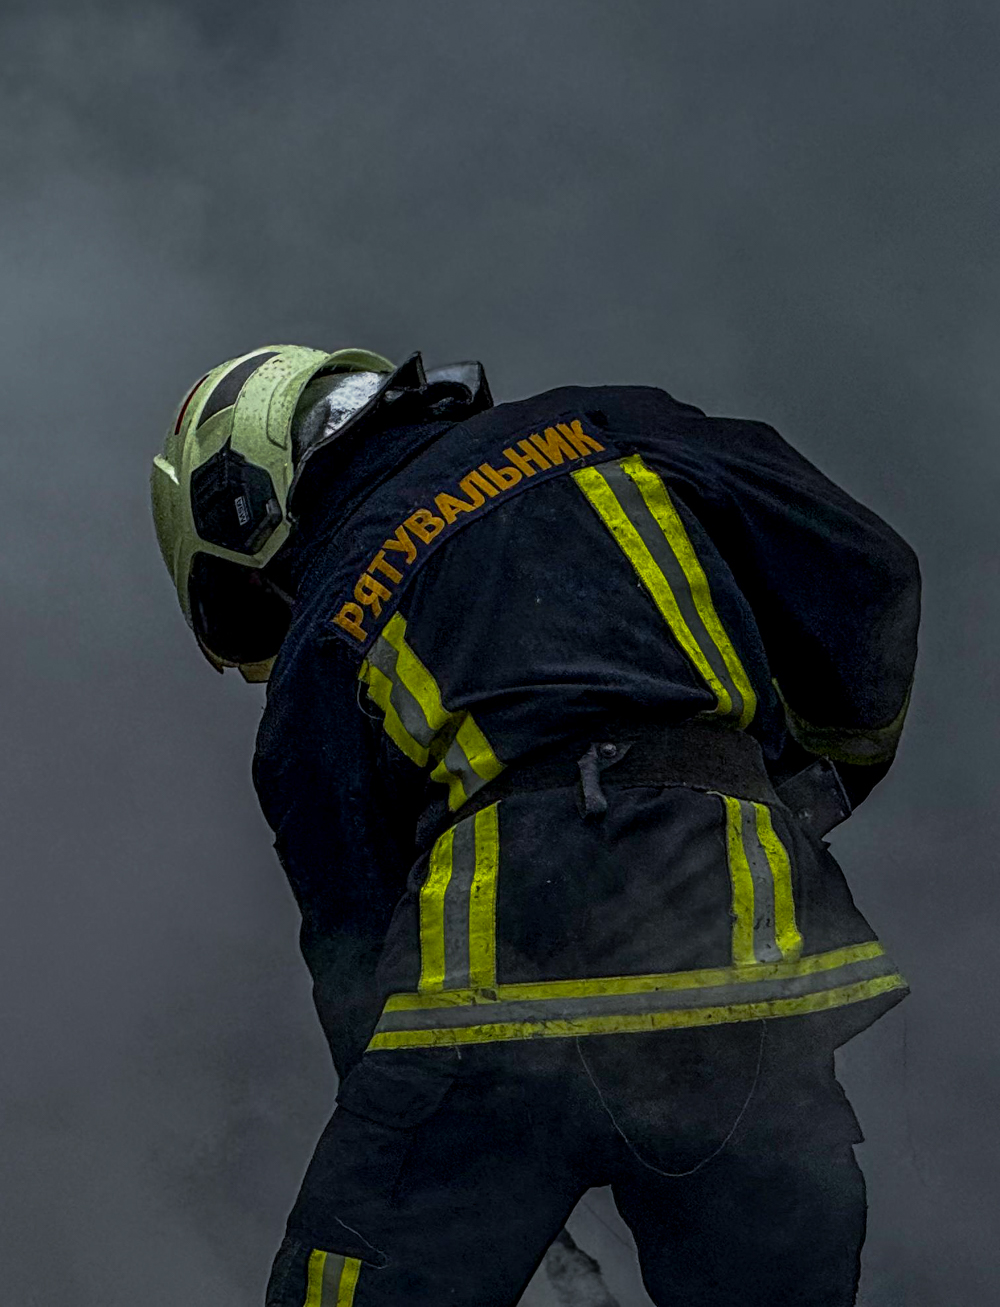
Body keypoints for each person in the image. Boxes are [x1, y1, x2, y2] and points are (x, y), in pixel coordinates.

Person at [148, 347, 917, 1307]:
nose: (274, 623)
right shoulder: (621, 427)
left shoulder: (329, 628)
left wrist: (408, 1127)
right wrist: (801, 795)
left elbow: (354, 941)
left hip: (496, 984)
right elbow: (867, 576)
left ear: (248, 494)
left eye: (242, 602)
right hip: (749, 975)